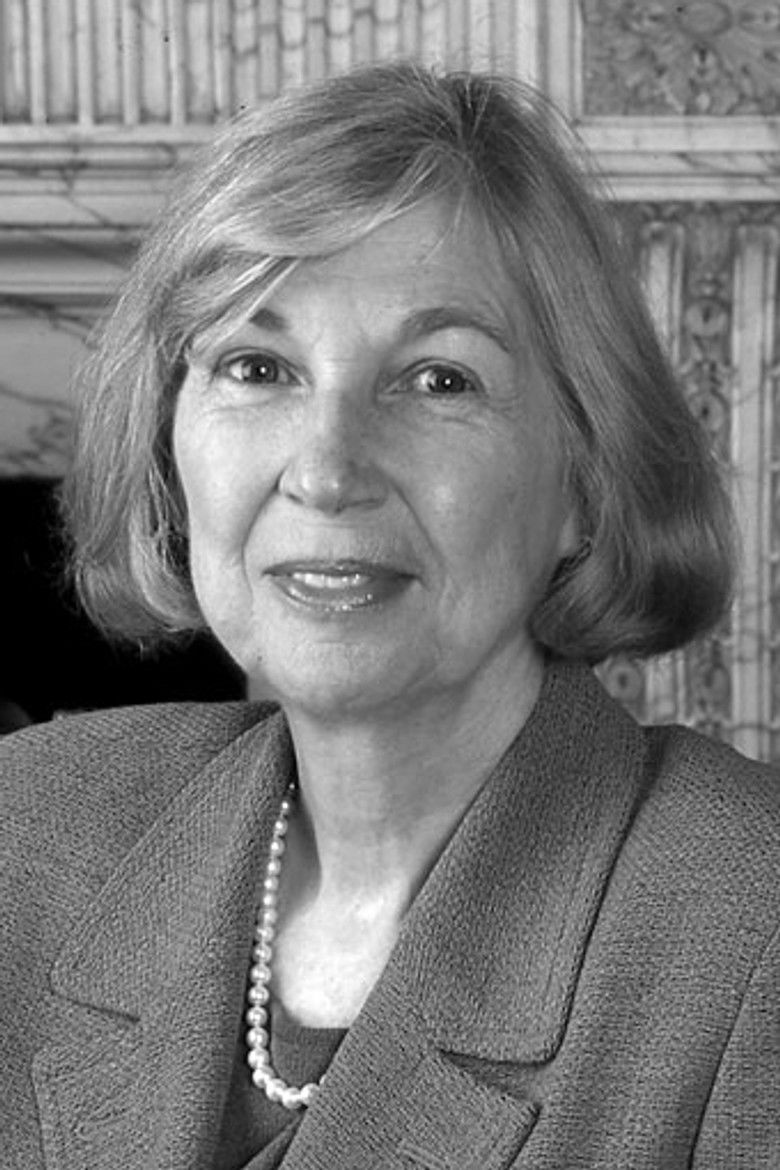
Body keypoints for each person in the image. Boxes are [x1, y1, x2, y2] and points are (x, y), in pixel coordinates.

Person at [1, 60, 778, 1170]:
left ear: (586, 480)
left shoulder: (749, 929)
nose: (326, 471)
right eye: (258, 366)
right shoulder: (27, 828)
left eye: (438, 380)